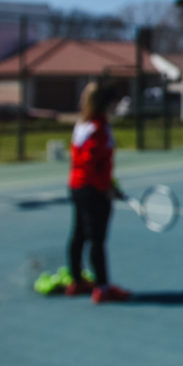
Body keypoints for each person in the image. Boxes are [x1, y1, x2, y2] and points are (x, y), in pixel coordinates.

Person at [67, 82, 131, 303]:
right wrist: (106, 189)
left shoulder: (81, 126)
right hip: (92, 191)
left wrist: (109, 184)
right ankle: (102, 288)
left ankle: (76, 281)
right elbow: (92, 166)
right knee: (96, 239)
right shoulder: (99, 129)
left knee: (79, 235)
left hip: (77, 187)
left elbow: (89, 165)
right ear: (106, 104)